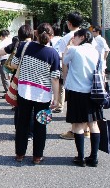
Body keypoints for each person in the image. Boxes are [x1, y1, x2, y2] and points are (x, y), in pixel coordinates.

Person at [11, 23, 60, 164]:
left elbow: (14, 64)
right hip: (43, 96)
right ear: (51, 36)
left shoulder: (25, 46)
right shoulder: (53, 54)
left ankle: (20, 154)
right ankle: (37, 156)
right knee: (41, 126)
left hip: (24, 92)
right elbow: (55, 79)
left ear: (36, 34)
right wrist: (56, 99)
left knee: (22, 124)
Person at [62, 29, 103, 167]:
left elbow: (65, 60)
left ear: (83, 37)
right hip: (93, 91)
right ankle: (94, 157)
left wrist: (68, 47)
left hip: (76, 91)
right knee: (93, 124)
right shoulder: (96, 51)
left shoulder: (75, 50)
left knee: (78, 124)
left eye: (76, 37)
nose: (74, 39)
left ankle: (80, 158)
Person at [53, 12, 83, 117]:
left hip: (72, 71)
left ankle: (76, 128)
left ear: (69, 23)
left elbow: (62, 56)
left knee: (73, 99)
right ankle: (86, 128)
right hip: (88, 72)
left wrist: (64, 77)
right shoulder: (88, 35)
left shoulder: (67, 37)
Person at [0, 29, 11, 94]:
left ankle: (8, 92)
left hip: (5, 61)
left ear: (1, 36)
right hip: (13, 61)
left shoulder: (3, 42)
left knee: (5, 77)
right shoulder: (11, 40)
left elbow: (0, 52)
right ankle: (12, 91)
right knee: (11, 77)